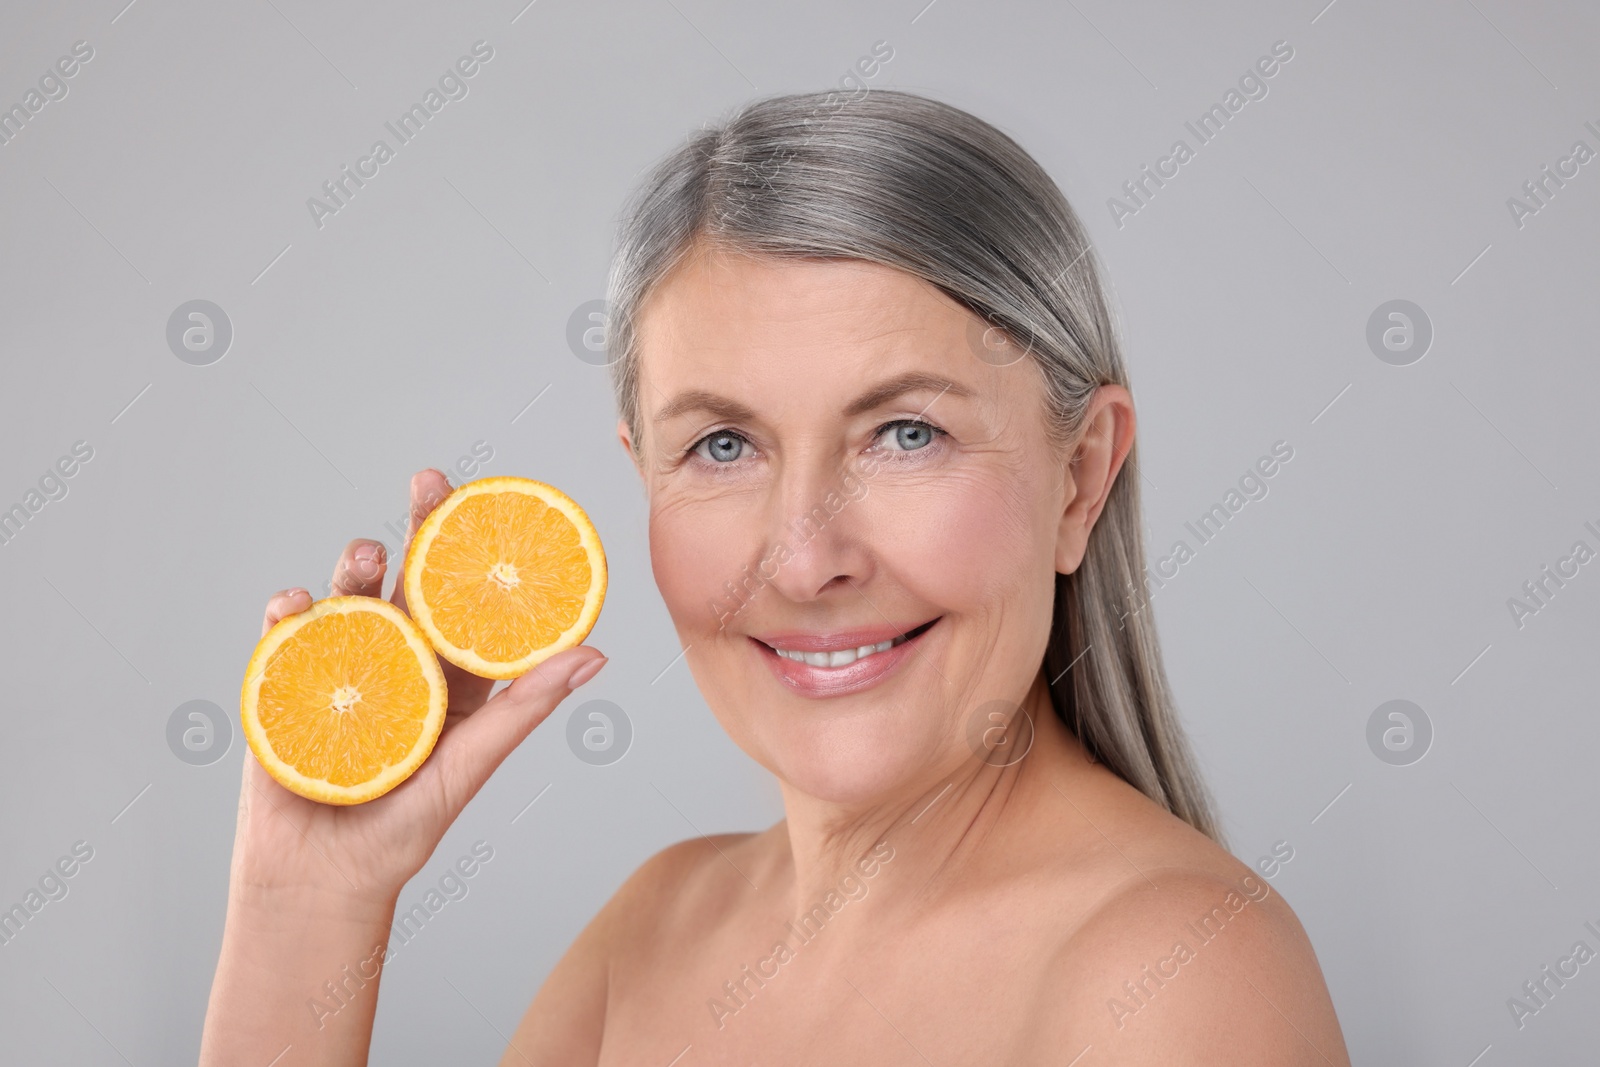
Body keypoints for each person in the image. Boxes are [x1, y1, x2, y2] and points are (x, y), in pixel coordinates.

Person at [201, 88, 1351, 1065]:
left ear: (1078, 477)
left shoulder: (1175, 975)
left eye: (904, 433)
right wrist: (304, 908)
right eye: (722, 446)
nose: (806, 557)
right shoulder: (647, 934)